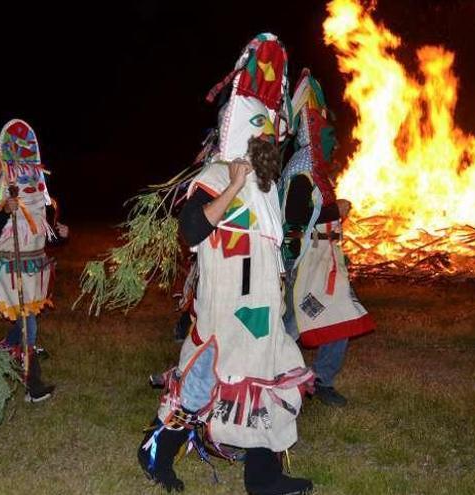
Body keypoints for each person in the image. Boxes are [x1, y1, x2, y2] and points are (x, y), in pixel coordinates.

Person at [138, 34, 314, 495]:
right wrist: (233, 187)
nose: (266, 143)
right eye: (258, 136)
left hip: (262, 316)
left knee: (268, 385)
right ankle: (156, 450)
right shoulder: (213, 177)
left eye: (269, 137)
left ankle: (264, 478)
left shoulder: (268, 192)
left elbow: (282, 238)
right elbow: (191, 230)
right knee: (199, 390)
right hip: (222, 316)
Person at [279, 69, 376, 407]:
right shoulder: (302, 172)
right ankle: (270, 375)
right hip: (308, 264)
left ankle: (322, 379)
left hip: (326, 261)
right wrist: (337, 212)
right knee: (292, 323)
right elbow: (293, 219)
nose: (335, 141)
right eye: (330, 134)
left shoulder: (316, 171)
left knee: (339, 315)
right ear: (317, 133)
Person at [0, 119, 63, 403]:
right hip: (11, 268)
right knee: (29, 324)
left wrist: (61, 234)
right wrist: (3, 212)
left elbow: (40, 232)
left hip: (35, 267)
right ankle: (32, 384)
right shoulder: (2, 192)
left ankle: (1, 350)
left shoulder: (39, 191)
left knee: (27, 320)